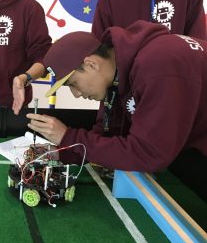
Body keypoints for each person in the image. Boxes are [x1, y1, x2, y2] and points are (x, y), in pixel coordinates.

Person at [26, 20, 207, 181]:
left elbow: (150, 154)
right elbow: (108, 134)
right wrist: (61, 153)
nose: (77, 94)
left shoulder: (159, 66)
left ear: (91, 64)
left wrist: (68, 136)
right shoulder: (119, 70)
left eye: (73, 84)